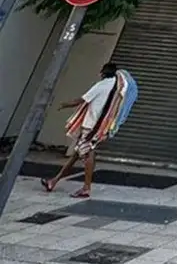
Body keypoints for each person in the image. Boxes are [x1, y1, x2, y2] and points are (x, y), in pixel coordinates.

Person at [41, 62, 136, 198]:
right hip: (99, 126)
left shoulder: (101, 85)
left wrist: (63, 104)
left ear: (102, 73)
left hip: (91, 126)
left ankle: (86, 188)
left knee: (88, 154)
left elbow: (82, 100)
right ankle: (54, 181)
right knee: (77, 154)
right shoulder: (116, 85)